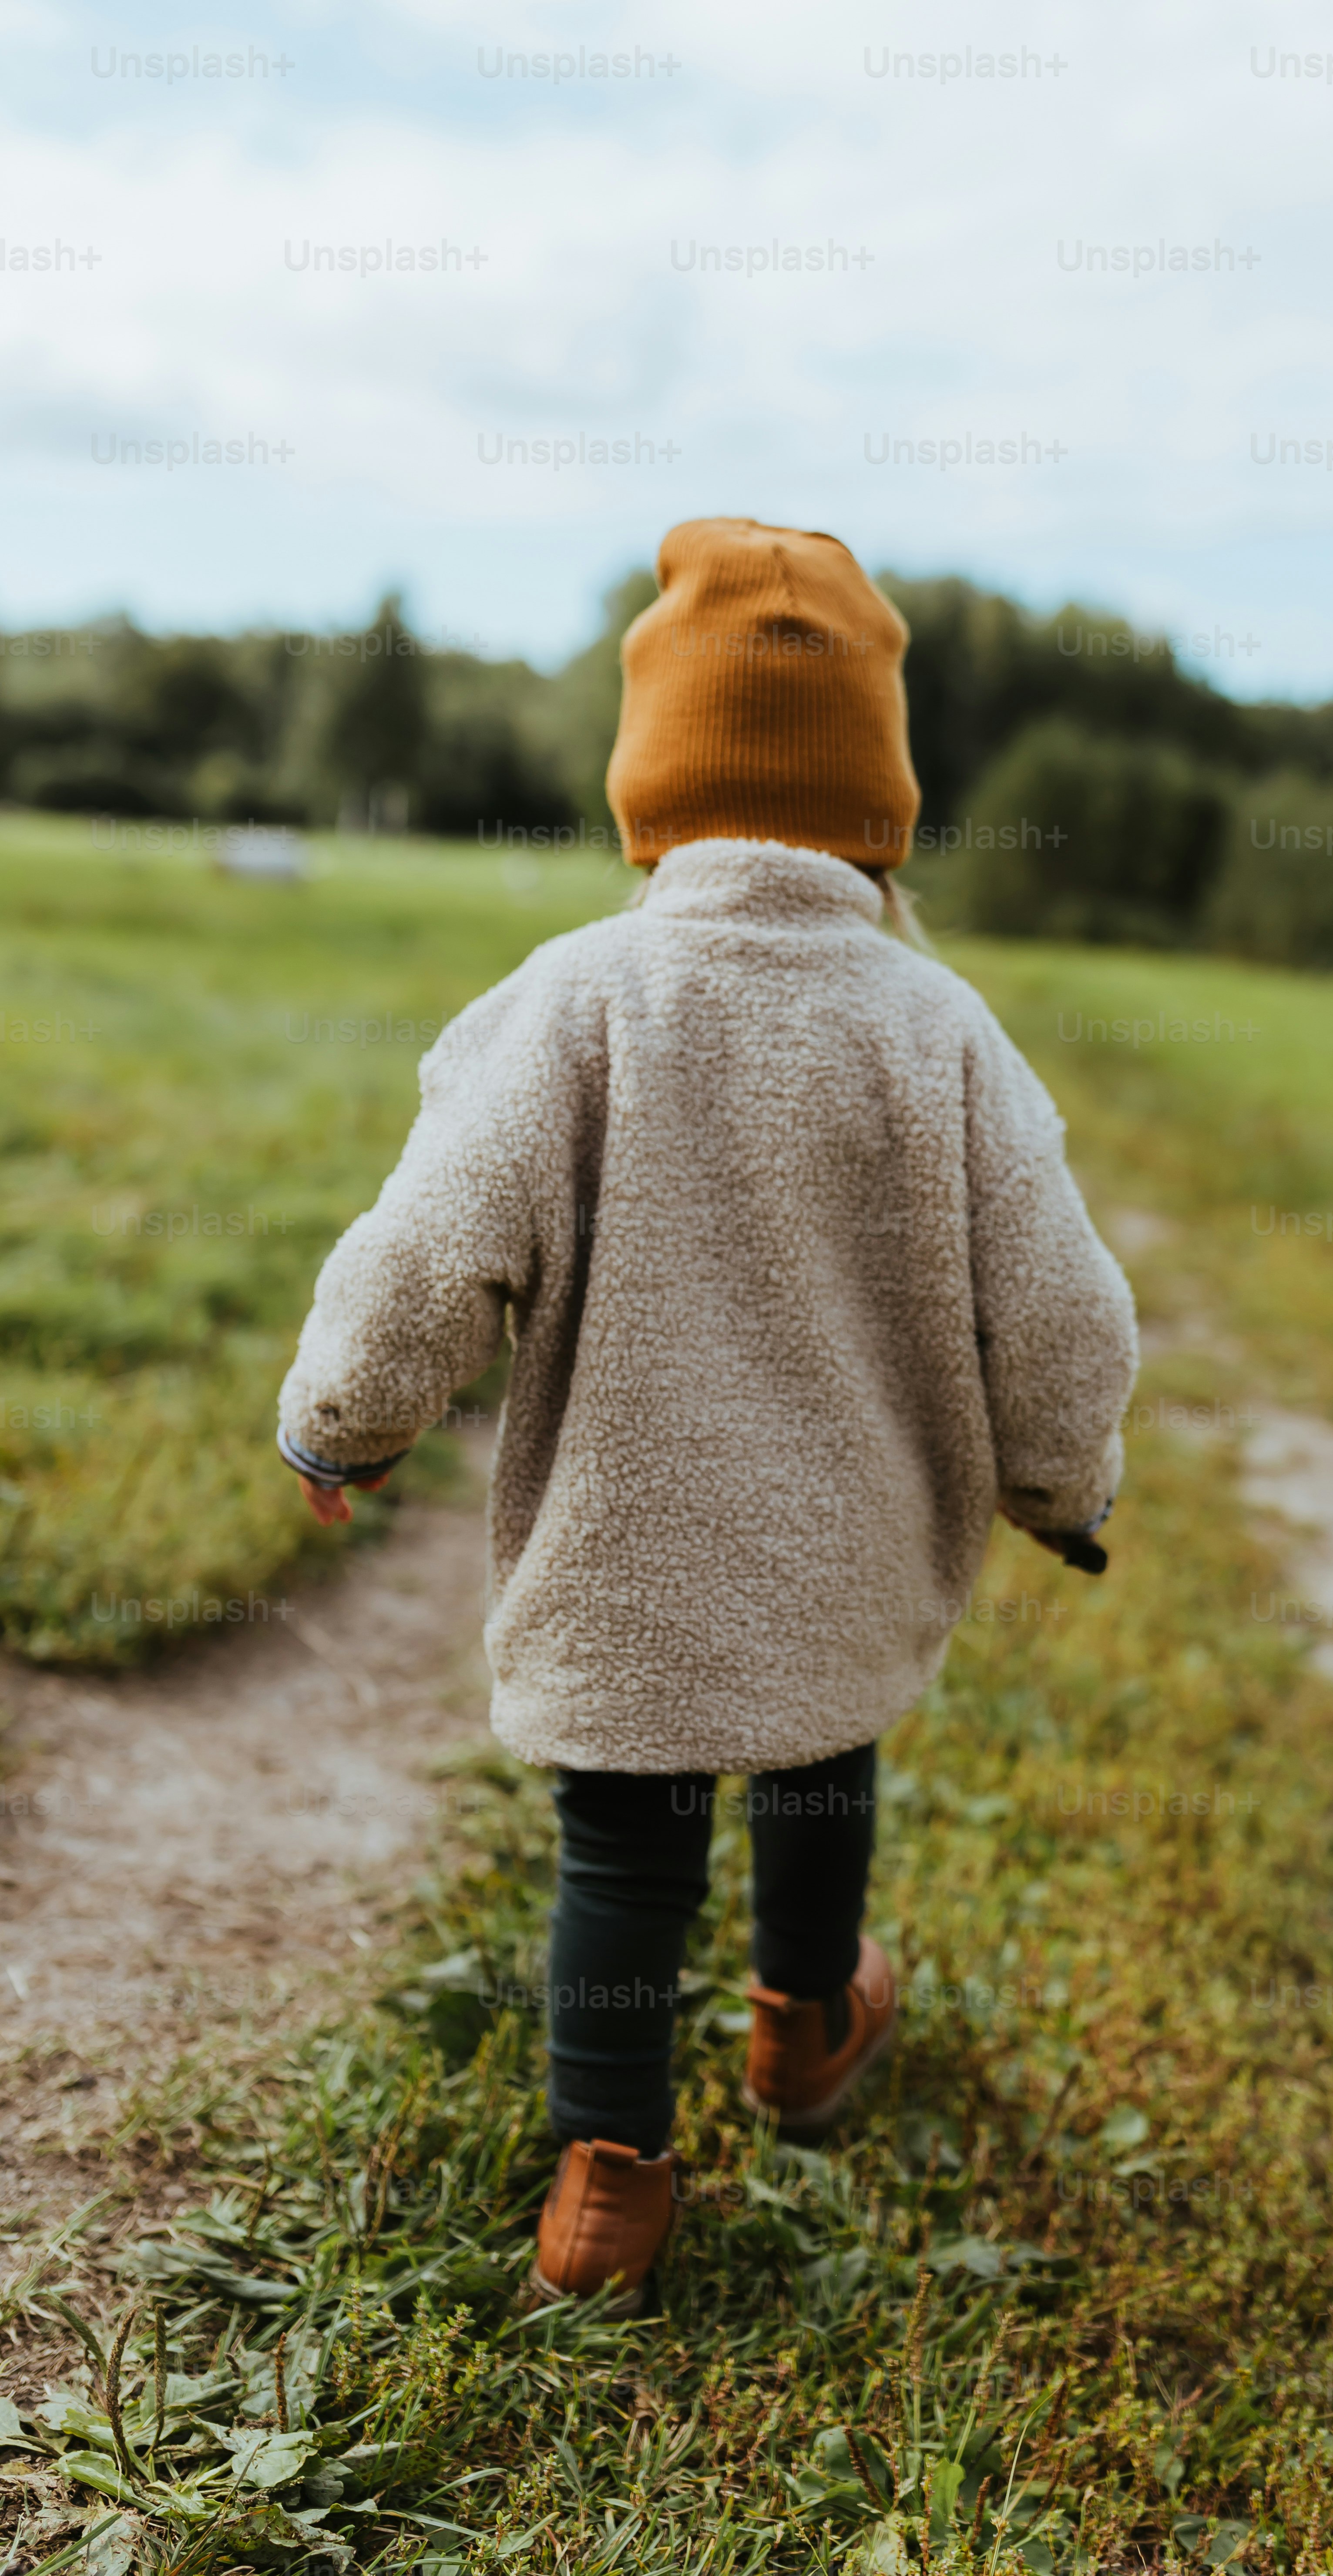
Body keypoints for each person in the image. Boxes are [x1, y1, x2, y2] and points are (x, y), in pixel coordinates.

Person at [277, 517, 1138, 2310]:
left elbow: (429, 1241)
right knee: (823, 1758)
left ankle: (609, 2186)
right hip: (845, 1546)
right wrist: (1062, 1482)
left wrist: (344, 1421)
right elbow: (1059, 1300)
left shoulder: (578, 1003)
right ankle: (809, 2028)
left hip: (629, 1552)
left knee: (626, 1842)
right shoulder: (942, 1029)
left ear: (649, 792)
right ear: (879, 802)